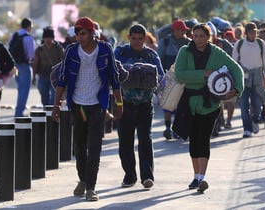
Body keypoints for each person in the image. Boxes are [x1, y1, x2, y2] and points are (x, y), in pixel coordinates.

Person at [51, 17, 123, 201]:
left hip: (98, 106)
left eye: (83, 33)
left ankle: (91, 187)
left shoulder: (105, 49)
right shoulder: (71, 51)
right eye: (77, 34)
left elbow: (114, 78)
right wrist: (56, 105)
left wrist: (119, 104)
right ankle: (83, 179)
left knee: (95, 146)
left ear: (92, 33)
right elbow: (62, 79)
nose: (79, 37)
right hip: (79, 106)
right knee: (80, 146)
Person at [174, 23, 243, 192]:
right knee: (193, 139)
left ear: (208, 37)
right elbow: (179, 74)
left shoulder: (217, 52)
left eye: (202, 36)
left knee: (203, 139)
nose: (199, 39)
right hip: (188, 103)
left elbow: (236, 69)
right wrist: (203, 74)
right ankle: (195, 174)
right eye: (196, 36)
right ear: (192, 36)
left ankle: (201, 177)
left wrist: (236, 89)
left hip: (210, 104)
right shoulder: (184, 51)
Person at [114, 24, 164, 189]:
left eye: (140, 39)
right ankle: (129, 176)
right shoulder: (120, 53)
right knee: (125, 141)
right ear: (129, 37)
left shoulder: (151, 55)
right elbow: (111, 73)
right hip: (124, 103)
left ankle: (147, 177)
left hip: (144, 104)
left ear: (145, 38)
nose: (137, 42)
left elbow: (161, 76)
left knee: (145, 139)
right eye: (133, 38)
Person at [233, 22, 265, 137]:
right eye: (250, 32)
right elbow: (234, 62)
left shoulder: (261, 44)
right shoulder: (239, 44)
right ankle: (247, 128)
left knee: (258, 102)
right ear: (246, 33)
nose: (253, 34)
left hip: (258, 76)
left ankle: (255, 120)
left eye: (255, 32)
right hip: (243, 77)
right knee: (244, 104)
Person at [157, 20, 190, 140]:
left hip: (184, 78)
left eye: (184, 30)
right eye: (180, 30)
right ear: (174, 30)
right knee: (168, 104)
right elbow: (159, 60)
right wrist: (160, 78)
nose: (183, 32)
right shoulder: (164, 42)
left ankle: (177, 129)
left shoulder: (188, 43)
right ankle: (167, 127)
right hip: (169, 78)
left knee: (181, 105)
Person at [10, 18, 36, 117]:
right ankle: (19, 112)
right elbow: (32, 55)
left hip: (14, 66)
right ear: (29, 26)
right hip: (24, 66)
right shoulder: (28, 38)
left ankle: (19, 110)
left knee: (20, 89)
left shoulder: (14, 35)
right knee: (24, 90)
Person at [32, 27, 64, 106]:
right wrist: (33, 77)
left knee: (54, 97)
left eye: (50, 37)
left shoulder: (58, 48)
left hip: (55, 76)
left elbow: (63, 61)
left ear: (53, 38)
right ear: (43, 38)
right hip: (43, 76)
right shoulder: (39, 50)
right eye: (46, 37)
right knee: (44, 95)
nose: (48, 40)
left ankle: (51, 112)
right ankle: (47, 111)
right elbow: (35, 63)